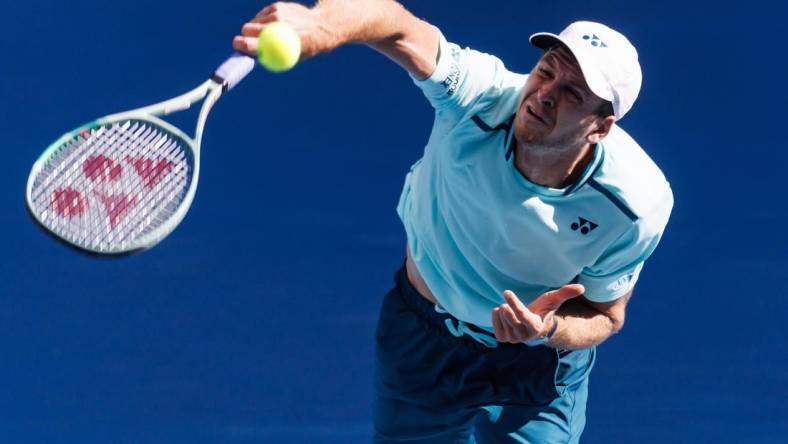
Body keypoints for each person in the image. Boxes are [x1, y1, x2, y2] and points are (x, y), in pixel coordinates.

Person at [234, 1, 673, 442]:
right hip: (422, 340)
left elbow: (605, 315)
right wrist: (320, 23)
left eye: (573, 94)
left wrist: (546, 330)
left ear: (600, 128)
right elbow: (396, 26)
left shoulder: (633, 205)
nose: (545, 94)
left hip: (535, 367)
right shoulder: (478, 94)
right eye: (547, 70)